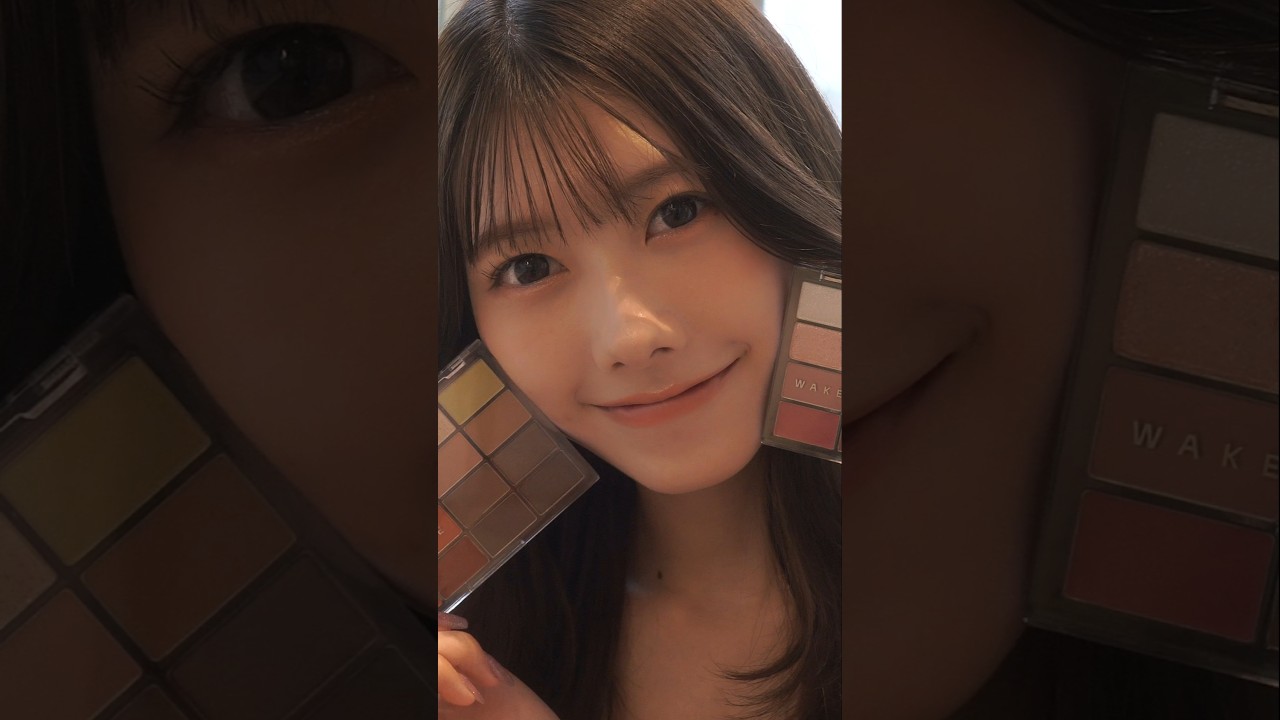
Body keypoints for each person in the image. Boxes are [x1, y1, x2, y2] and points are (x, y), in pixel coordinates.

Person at [435, 1, 843, 718]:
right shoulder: (472, 637)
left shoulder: (948, 548)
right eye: (529, 267)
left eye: (677, 212)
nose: (629, 336)